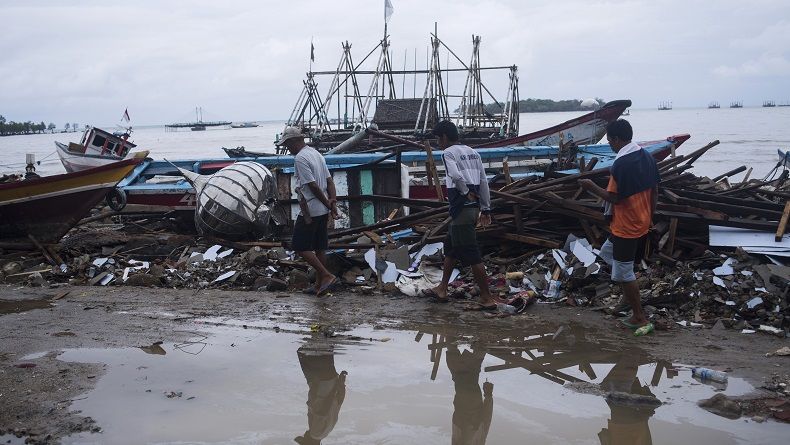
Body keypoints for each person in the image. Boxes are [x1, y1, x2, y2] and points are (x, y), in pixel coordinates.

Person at [579, 119, 660, 330]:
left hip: (627, 225)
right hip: (641, 219)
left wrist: (590, 186)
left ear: (616, 139)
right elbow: (655, 190)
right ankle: (627, 298)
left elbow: (613, 198)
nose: (610, 145)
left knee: (623, 272)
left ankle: (639, 316)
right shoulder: (647, 157)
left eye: (610, 141)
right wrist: (650, 216)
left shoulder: (621, 164)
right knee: (607, 253)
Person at [424, 120, 496, 311]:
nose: (438, 143)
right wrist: (486, 208)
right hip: (471, 210)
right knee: (451, 247)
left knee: (472, 254)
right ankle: (442, 288)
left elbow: (455, 176)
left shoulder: (448, 153)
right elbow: (483, 182)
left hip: (462, 208)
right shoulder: (474, 153)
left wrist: (465, 192)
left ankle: (487, 298)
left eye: (438, 139)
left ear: (445, 137)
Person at [278, 126, 339, 296]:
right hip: (322, 209)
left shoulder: (300, 158)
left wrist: (329, 204)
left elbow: (312, 186)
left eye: (288, 144)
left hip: (311, 208)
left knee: (299, 246)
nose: (287, 148)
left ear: (294, 141)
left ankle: (327, 275)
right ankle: (319, 285)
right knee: (319, 246)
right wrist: (331, 203)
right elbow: (329, 181)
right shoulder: (316, 154)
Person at [294, 344, 347, 445]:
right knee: (303, 353)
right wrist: (315, 391)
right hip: (321, 384)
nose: (304, 435)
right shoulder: (316, 433)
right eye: (304, 441)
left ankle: (326, 337)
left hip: (330, 382)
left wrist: (340, 382)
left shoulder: (326, 431)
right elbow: (323, 410)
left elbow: (338, 403)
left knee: (325, 351)